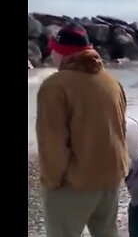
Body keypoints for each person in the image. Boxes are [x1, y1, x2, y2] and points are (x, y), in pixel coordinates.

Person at [36, 23, 127, 237]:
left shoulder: (55, 86)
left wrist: (51, 182)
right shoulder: (112, 82)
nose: (51, 54)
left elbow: (52, 143)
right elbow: (120, 130)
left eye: (54, 49)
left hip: (75, 185)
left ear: (63, 52)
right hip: (111, 178)